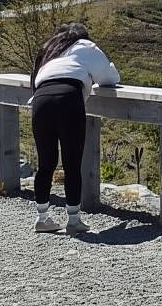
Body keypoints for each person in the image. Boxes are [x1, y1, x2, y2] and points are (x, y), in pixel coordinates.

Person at [30, 22, 120, 234]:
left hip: (41, 99)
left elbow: (34, 81)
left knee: (46, 163)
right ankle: (73, 219)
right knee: (72, 162)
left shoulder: (49, 48)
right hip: (69, 97)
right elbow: (109, 77)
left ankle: (42, 218)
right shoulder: (85, 46)